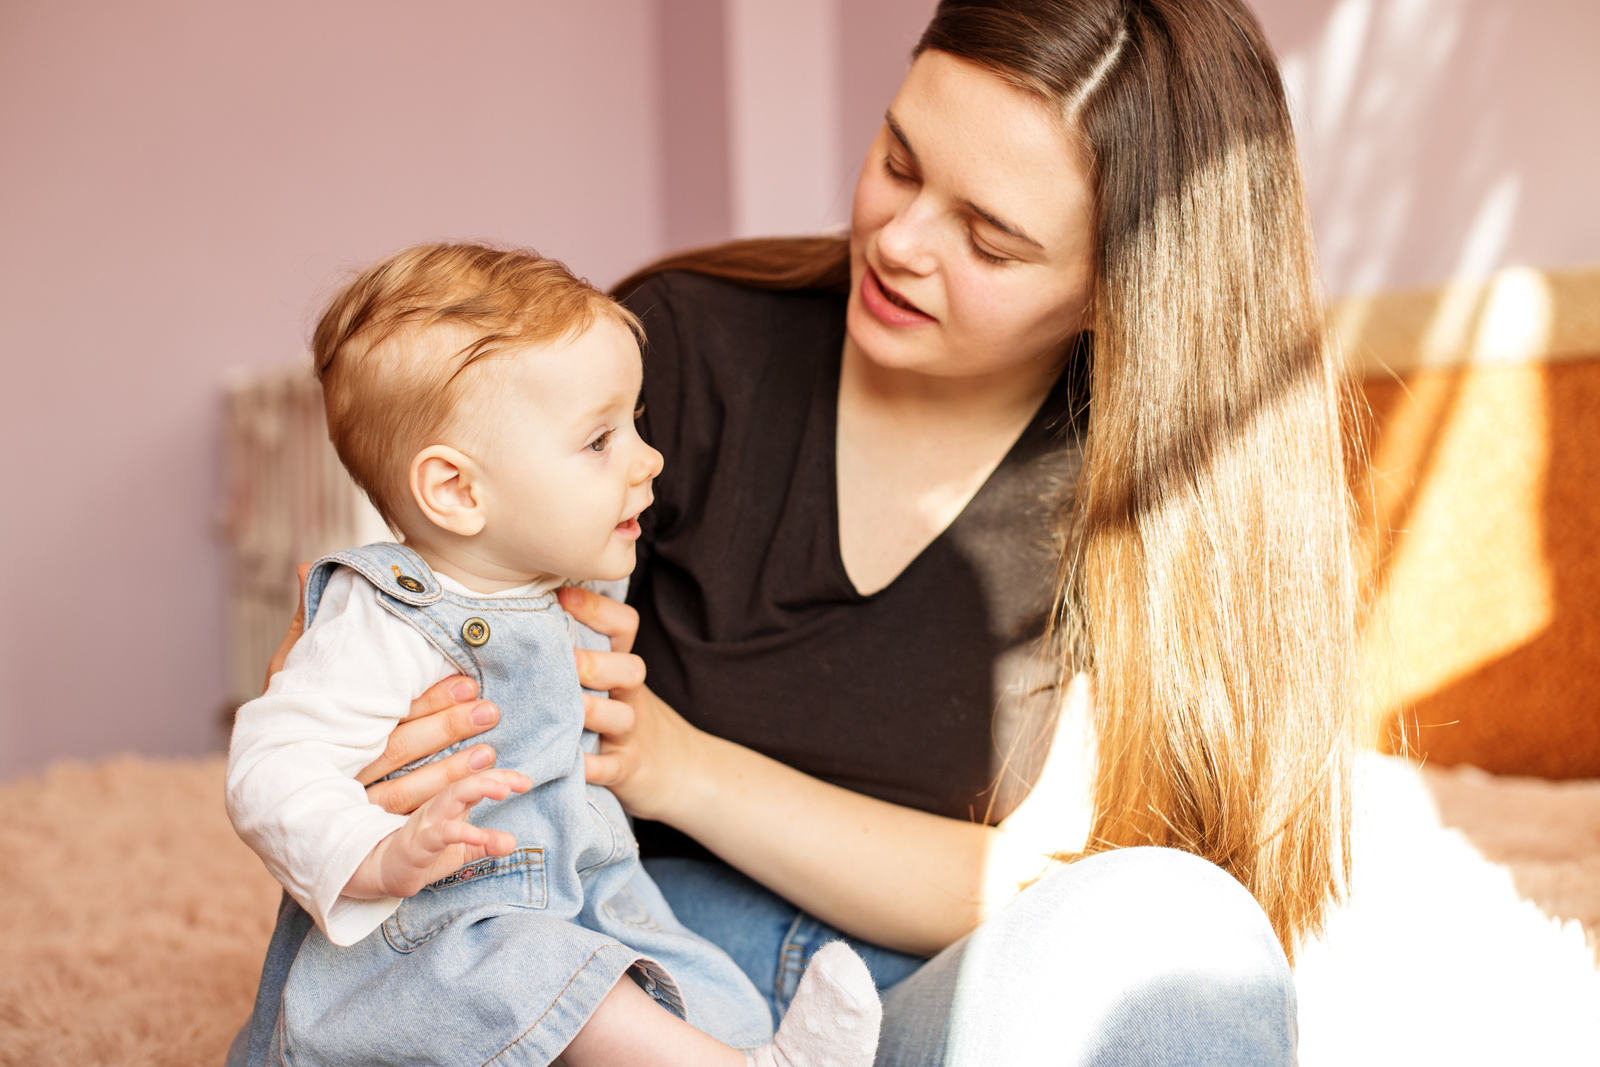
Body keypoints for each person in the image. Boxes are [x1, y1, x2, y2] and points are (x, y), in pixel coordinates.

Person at [230, 1, 1358, 1063]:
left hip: (920, 997)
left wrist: (677, 765)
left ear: (1122, 288)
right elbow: (420, 610)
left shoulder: (1150, 495)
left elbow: (1053, 881)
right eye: (900, 161)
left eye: (989, 240)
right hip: (634, 977)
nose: (900, 239)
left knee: (1188, 930)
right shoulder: (679, 348)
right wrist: (371, 741)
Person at [225, 243, 882, 1067]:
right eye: (600, 440)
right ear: (458, 491)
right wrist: (376, 854)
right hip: (438, 943)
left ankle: (744, 1047)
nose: (648, 458)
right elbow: (270, 765)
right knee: (559, 981)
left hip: (581, 901)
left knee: (697, 985)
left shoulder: (562, 587)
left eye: (636, 421)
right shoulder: (388, 616)